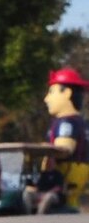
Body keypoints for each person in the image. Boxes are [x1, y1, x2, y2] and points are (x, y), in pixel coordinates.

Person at [23, 65, 89, 213]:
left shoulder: (67, 122)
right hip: (61, 171)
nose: (46, 98)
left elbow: (65, 148)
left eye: (51, 92)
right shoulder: (69, 121)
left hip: (68, 170)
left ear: (67, 93)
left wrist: (45, 150)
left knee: (67, 201)